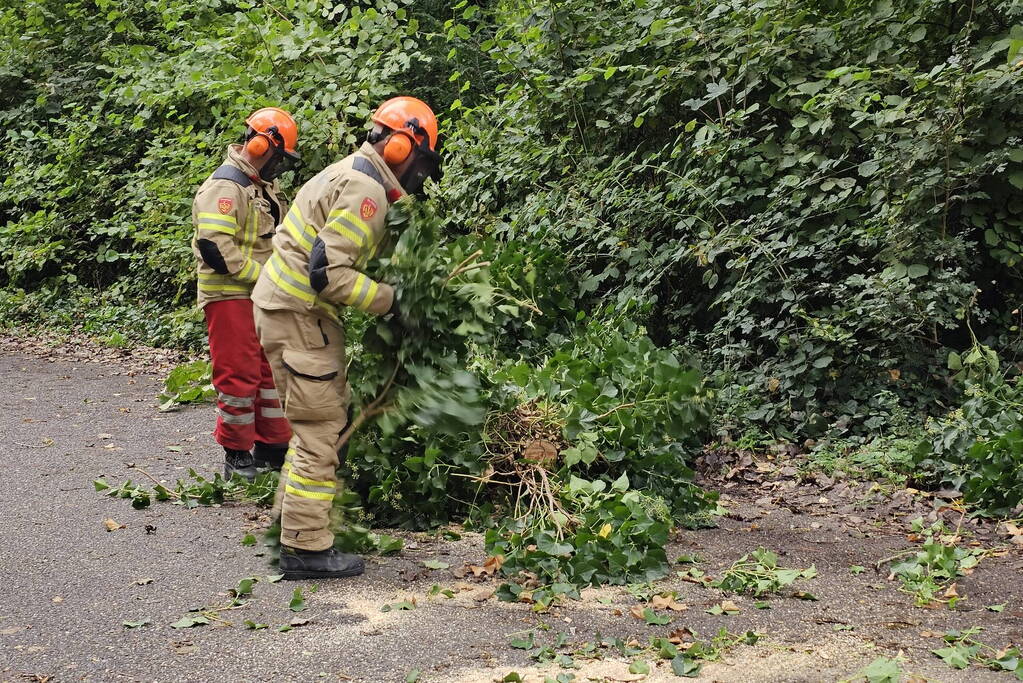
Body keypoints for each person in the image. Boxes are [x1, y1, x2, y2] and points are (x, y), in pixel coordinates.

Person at [251, 96, 442, 579]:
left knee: (313, 424)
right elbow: (328, 274)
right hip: (299, 312)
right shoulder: (366, 191)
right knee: (322, 428)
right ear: (402, 147)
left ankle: (293, 527)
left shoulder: (349, 173)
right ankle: (305, 548)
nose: (420, 173)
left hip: (286, 308)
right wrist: (392, 301)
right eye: (421, 161)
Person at [191, 107, 301, 481]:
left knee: (271, 371)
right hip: (230, 294)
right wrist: (263, 278)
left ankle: (272, 445)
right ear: (260, 145)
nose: (280, 167)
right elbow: (215, 248)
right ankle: (236, 454)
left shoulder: (259, 186)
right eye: (279, 157)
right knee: (239, 376)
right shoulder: (226, 187)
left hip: (261, 295)